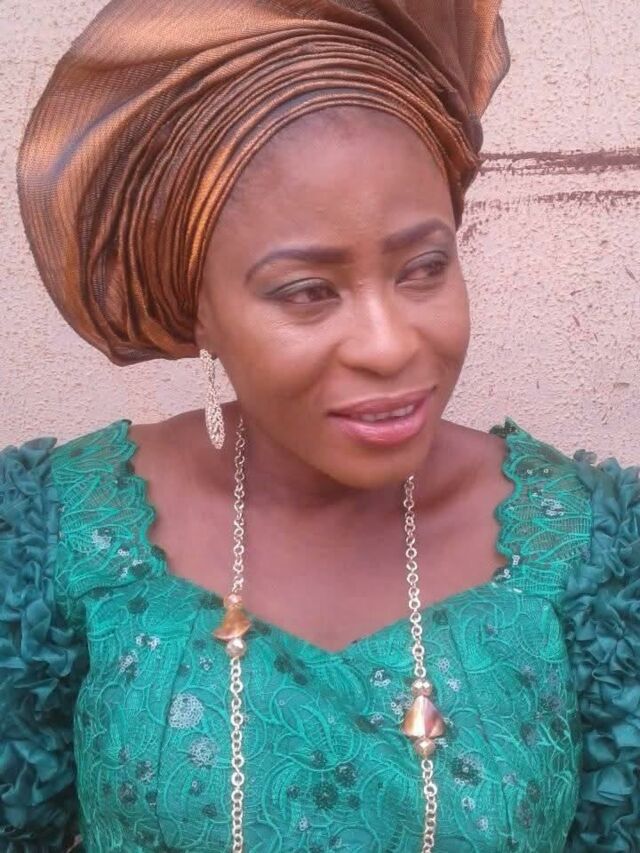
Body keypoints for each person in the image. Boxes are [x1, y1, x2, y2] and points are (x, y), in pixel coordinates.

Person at [1, 0, 638, 850]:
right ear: (197, 306)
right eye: (307, 291)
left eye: (424, 267)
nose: (389, 344)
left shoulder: (592, 552)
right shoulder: (54, 538)